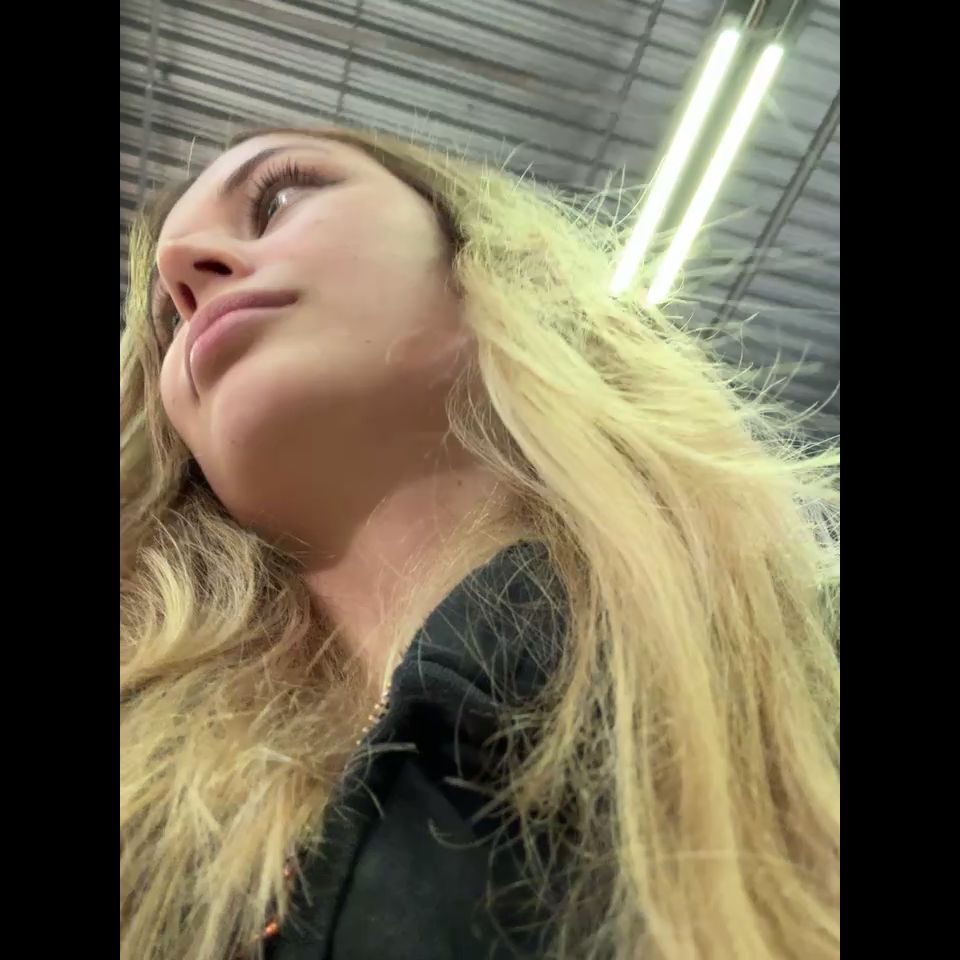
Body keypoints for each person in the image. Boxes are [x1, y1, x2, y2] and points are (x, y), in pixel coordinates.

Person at [120, 127, 840, 960]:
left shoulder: (812, 668)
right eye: (166, 320)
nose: (183, 270)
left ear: (477, 255)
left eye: (276, 199)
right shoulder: (152, 847)